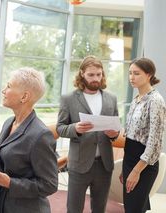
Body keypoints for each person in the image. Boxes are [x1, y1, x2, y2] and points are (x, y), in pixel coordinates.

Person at [0, 67, 58, 213]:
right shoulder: (9, 122)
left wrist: (10, 183)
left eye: (8, 86)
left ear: (24, 97)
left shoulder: (40, 135)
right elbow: (14, 164)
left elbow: (49, 184)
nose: (3, 90)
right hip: (4, 204)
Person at [56, 55, 119, 213]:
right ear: (82, 73)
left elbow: (116, 130)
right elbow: (60, 128)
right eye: (91, 75)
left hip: (104, 164)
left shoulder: (111, 98)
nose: (95, 78)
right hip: (79, 163)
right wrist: (75, 128)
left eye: (98, 74)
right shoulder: (68, 99)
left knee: (99, 208)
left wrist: (113, 134)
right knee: (74, 208)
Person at [121, 57, 166, 213]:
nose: (132, 77)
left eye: (137, 73)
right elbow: (131, 135)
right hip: (130, 159)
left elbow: (155, 143)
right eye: (130, 73)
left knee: (134, 208)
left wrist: (136, 171)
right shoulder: (136, 99)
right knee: (132, 206)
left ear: (149, 75)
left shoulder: (156, 101)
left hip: (144, 163)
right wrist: (125, 167)